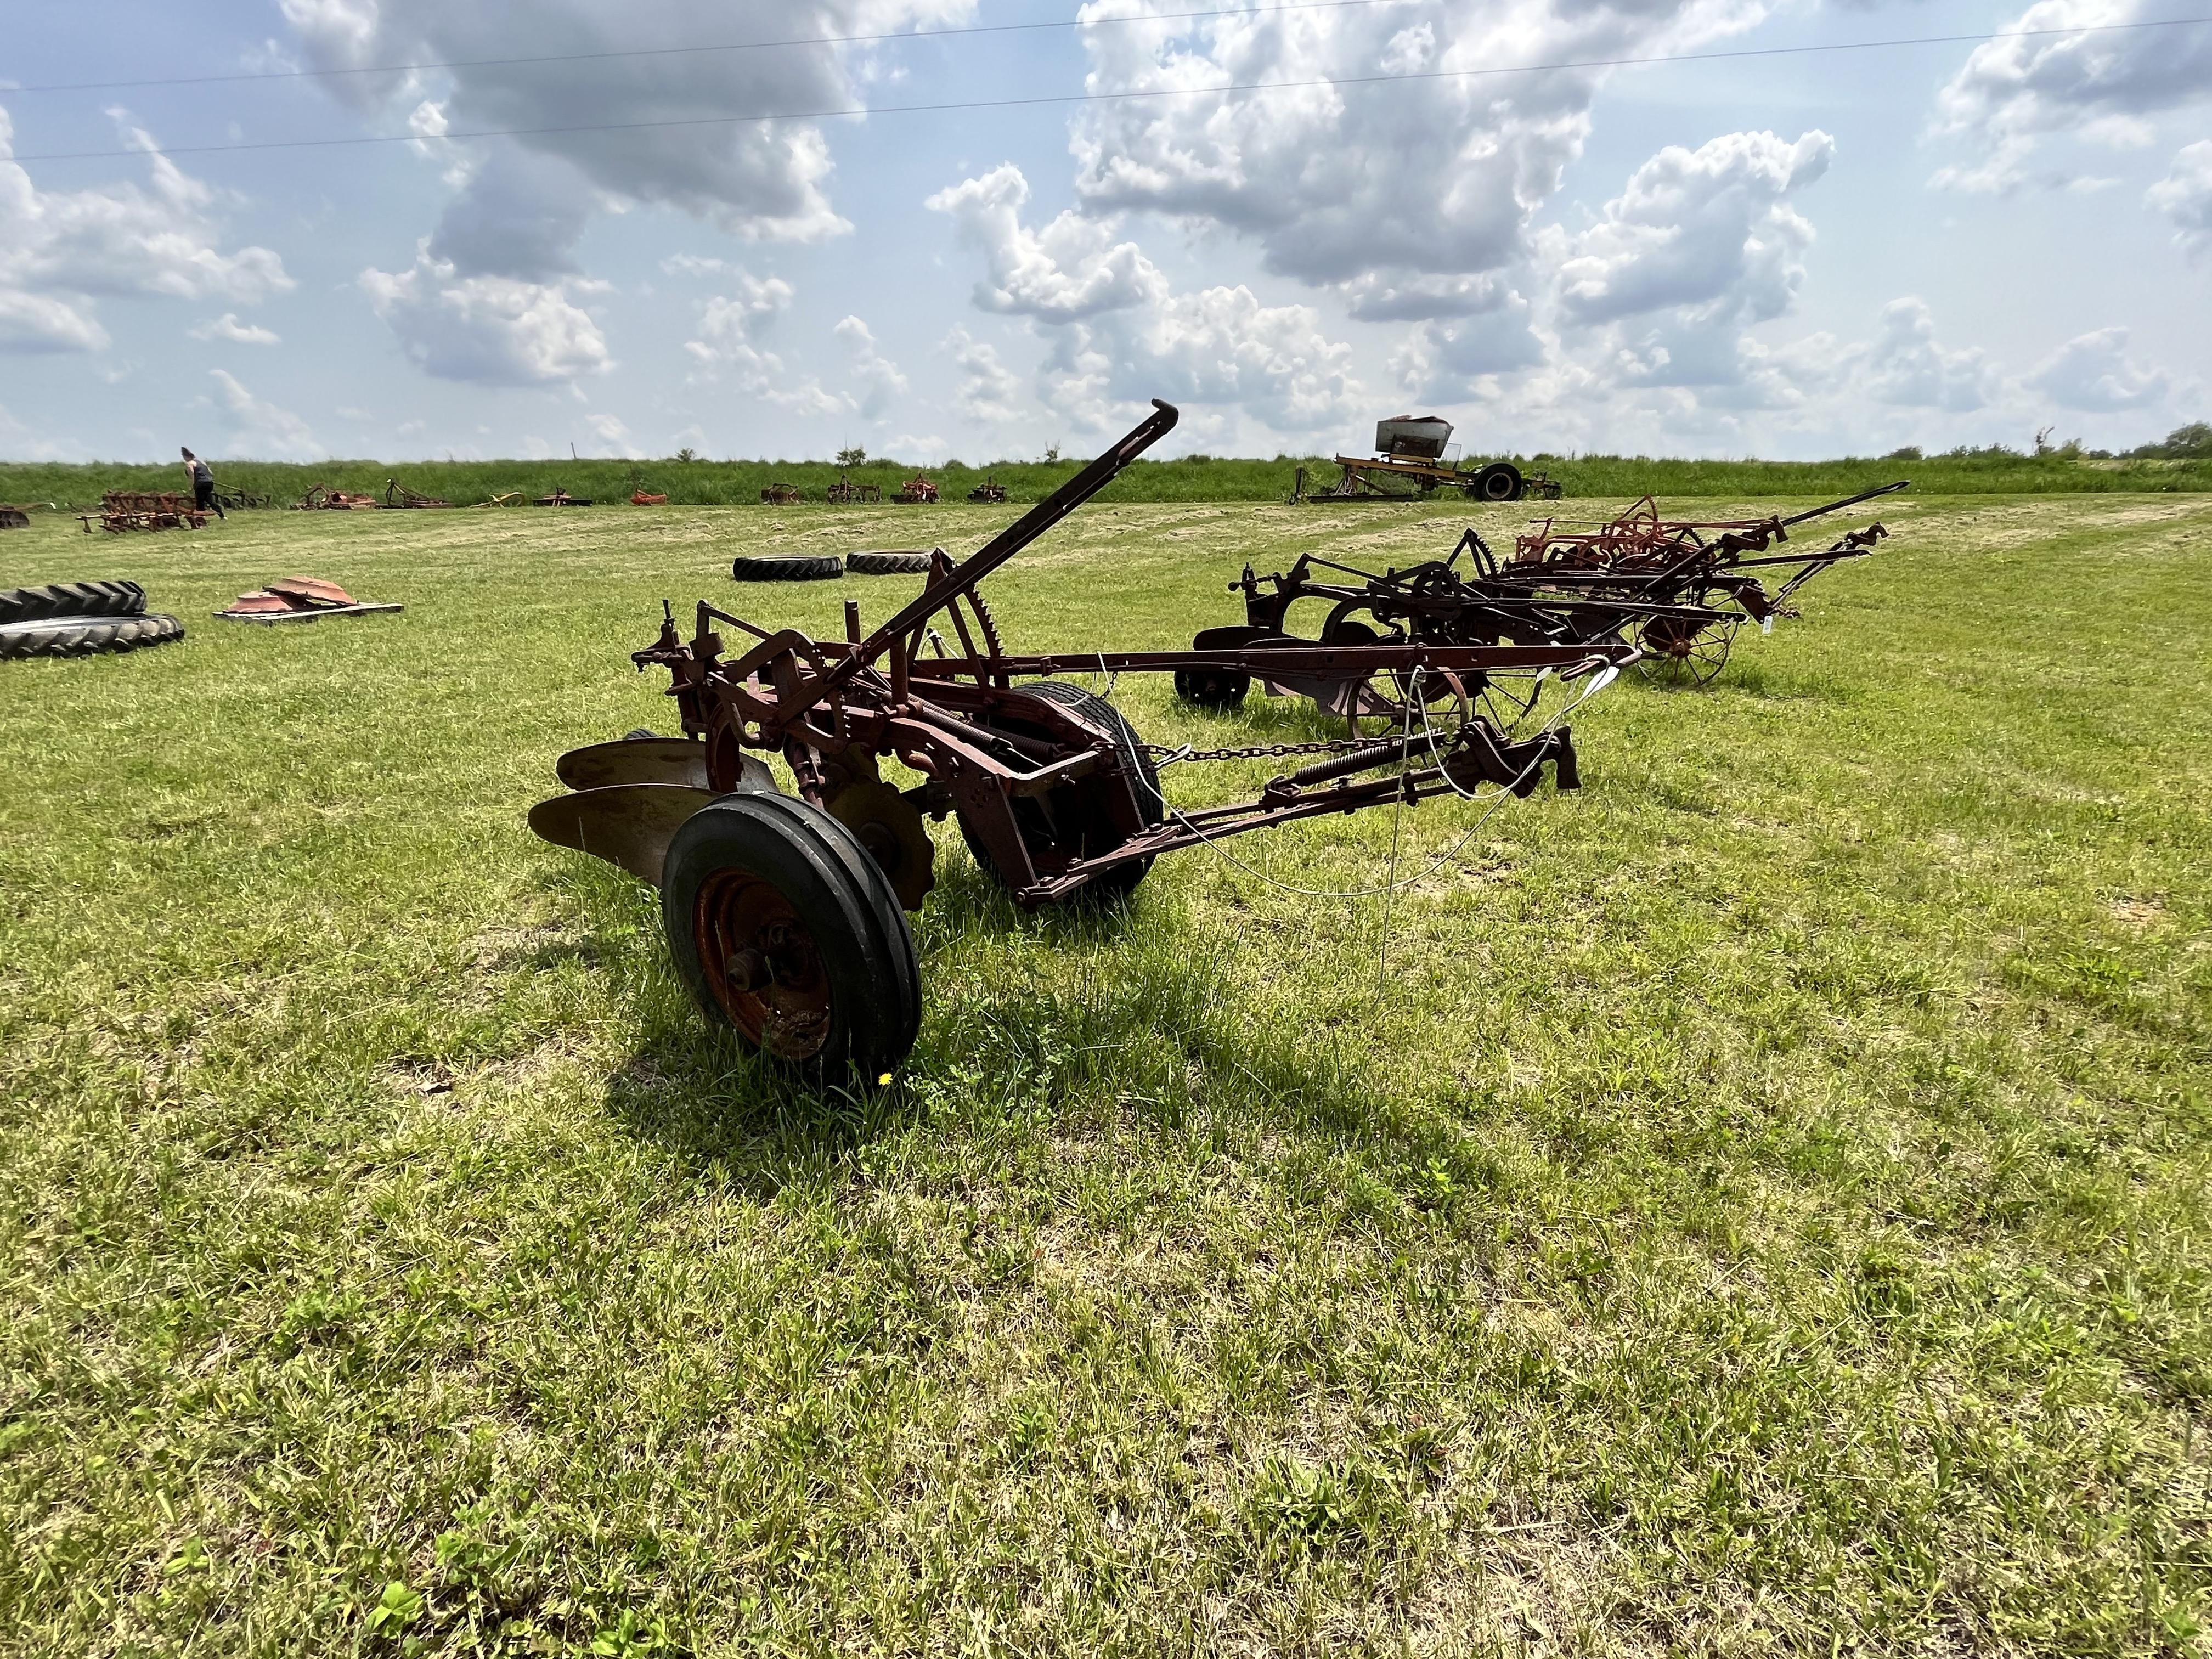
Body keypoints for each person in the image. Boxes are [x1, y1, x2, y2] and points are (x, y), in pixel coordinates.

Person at [180, 447, 225, 520]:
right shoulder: (202, 463)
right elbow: (211, 473)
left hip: (200, 483)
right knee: (210, 500)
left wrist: (191, 487)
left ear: (186, 456)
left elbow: (192, 476)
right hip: (209, 482)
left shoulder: (189, 464)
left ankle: (200, 518)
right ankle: (222, 515)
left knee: (200, 501)